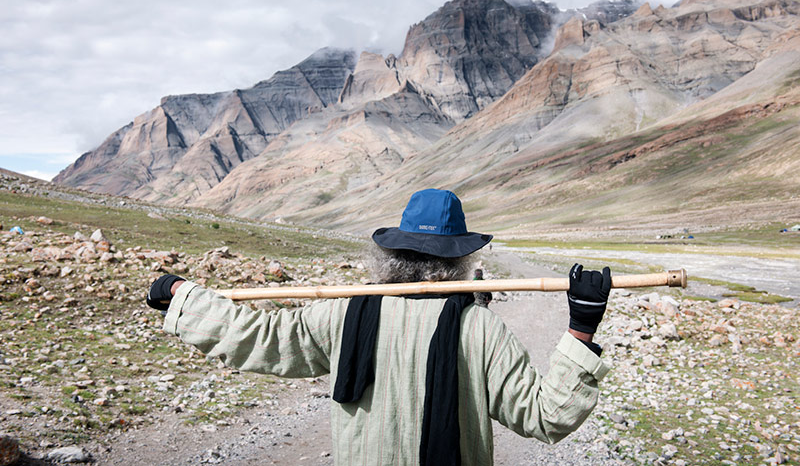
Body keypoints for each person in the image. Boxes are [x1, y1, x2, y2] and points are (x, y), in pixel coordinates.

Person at [147, 188, 611, 466]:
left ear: (392, 255)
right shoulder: (480, 329)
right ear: (461, 258)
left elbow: (260, 339)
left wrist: (183, 296)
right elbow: (546, 416)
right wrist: (581, 327)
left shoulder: (345, 312)